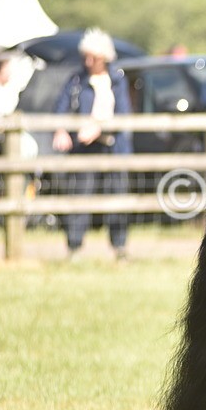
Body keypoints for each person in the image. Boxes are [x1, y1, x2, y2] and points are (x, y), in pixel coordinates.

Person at [52, 28, 133, 261]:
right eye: (85, 56)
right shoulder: (76, 80)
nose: (88, 62)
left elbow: (123, 114)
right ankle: (74, 247)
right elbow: (60, 108)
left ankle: (120, 248)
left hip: (113, 147)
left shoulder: (117, 80)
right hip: (84, 148)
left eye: (93, 57)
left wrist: (100, 128)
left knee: (117, 197)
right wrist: (61, 130)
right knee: (80, 197)